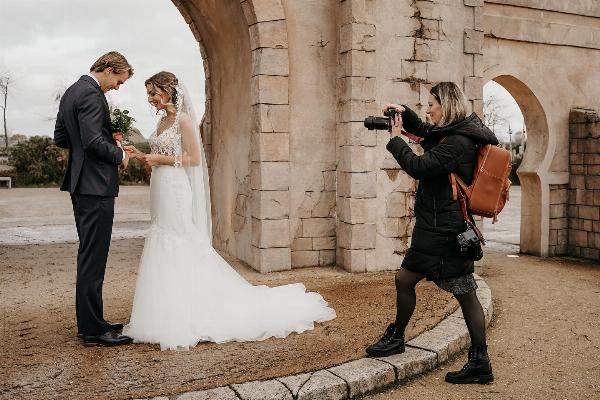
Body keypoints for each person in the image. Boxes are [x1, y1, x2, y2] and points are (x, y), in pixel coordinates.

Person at [122, 71, 336, 350]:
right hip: (160, 186)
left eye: (153, 93)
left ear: (168, 91)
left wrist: (159, 158)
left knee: (177, 240)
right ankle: (165, 308)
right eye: (148, 94)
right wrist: (141, 156)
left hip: (175, 189)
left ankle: (187, 312)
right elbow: (161, 156)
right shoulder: (162, 121)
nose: (150, 99)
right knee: (162, 238)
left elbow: (194, 159)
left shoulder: (182, 121)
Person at [365, 82, 498, 384]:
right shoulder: (453, 133)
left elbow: (419, 166)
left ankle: (476, 360)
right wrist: (406, 114)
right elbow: (427, 132)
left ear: (447, 106)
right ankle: (474, 359)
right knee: (444, 288)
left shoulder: (459, 142)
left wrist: (397, 140)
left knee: (452, 289)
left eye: (431, 105)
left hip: (445, 232)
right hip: (439, 226)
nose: (427, 110)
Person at [54, 51, 134, 346]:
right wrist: (120, 155)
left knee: (90, 253)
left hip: (81, 184)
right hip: (95, 186)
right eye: (119, 81)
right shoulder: (91, 94)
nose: (117, 87)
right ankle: (92, 331)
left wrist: (103, 132)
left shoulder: (72, 92)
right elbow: (91, 141)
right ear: (110, 69)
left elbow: (61, 138)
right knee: (93, 256)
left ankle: (93, 321)